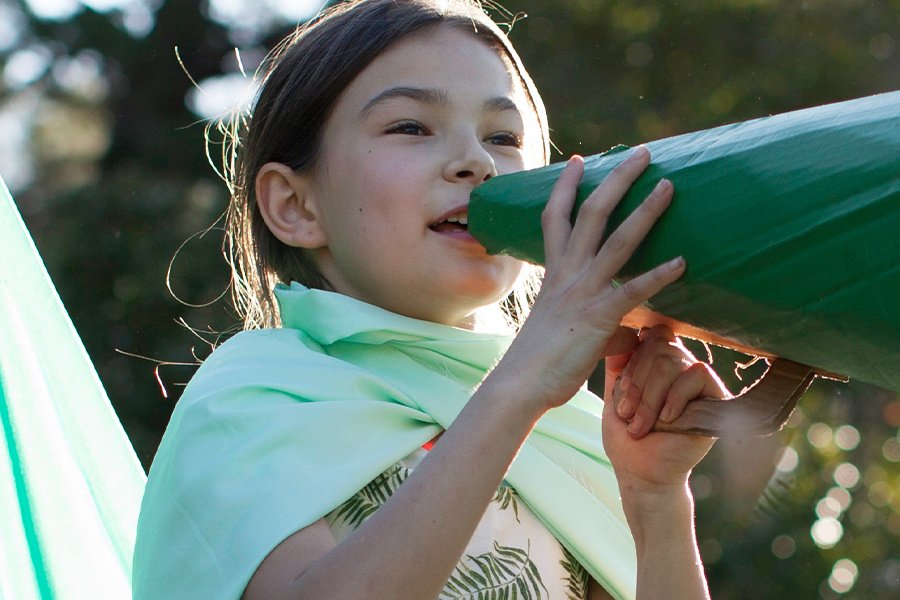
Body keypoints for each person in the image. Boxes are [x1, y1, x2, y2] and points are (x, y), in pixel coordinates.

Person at [132, 1, 729, 598]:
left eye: (504, 136)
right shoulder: (246, 398)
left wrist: (655, 502)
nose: (477, 161)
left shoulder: (568, 433)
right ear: (295, 205)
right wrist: (519, 386)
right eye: (410, 127)